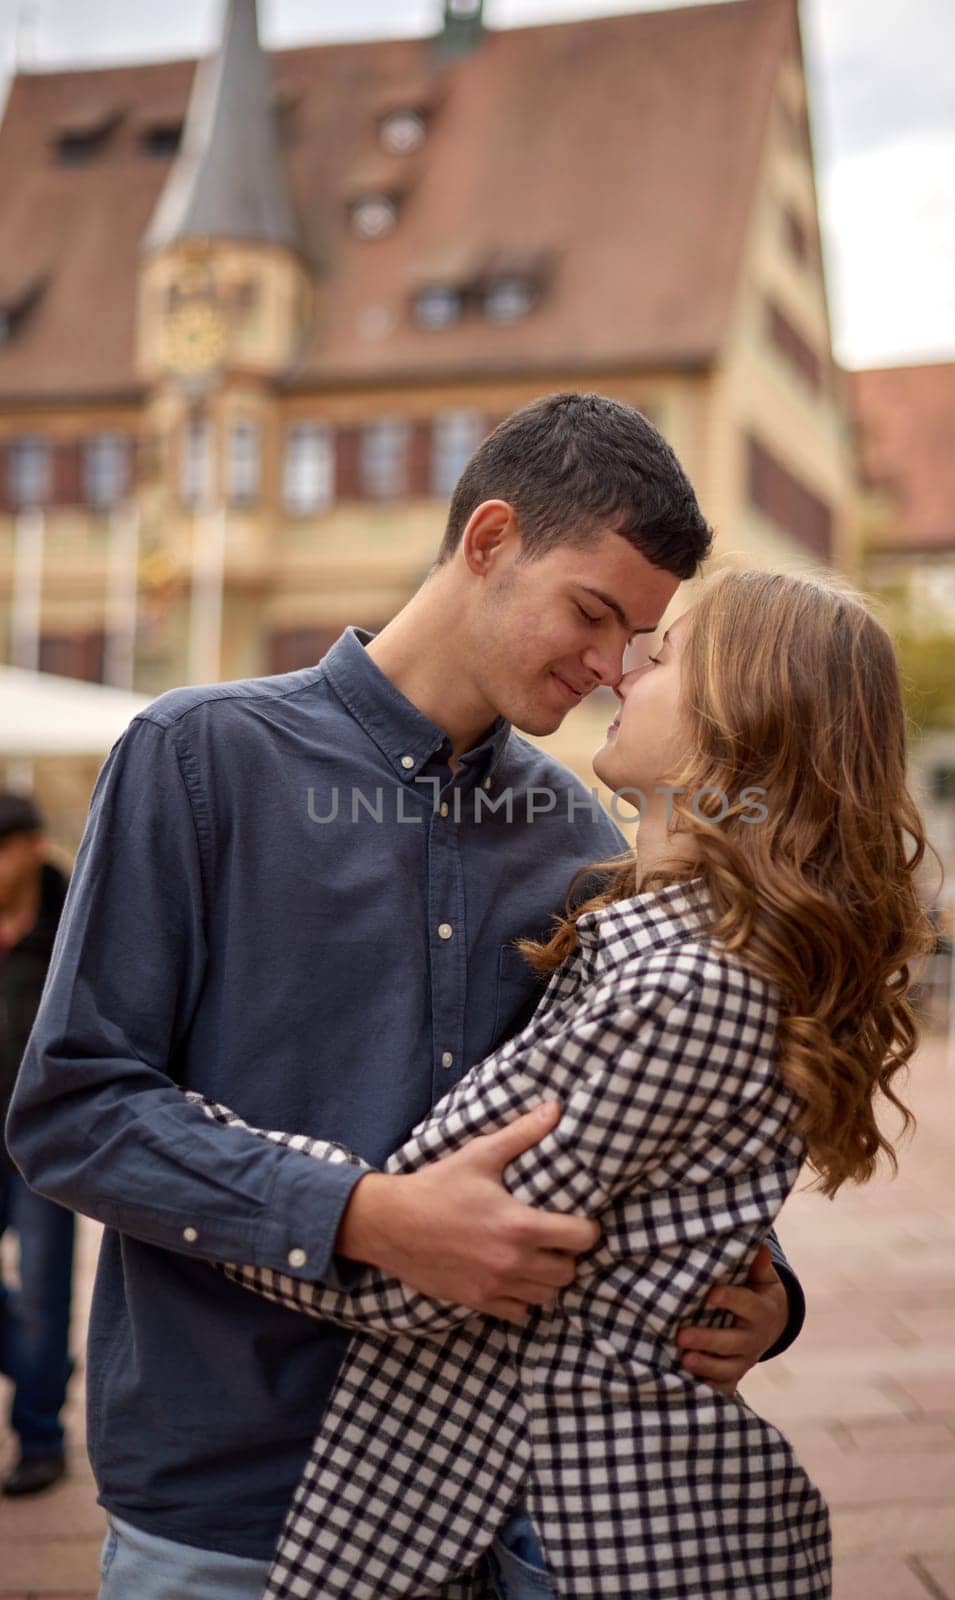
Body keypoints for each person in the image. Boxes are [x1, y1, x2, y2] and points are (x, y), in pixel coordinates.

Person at [7, 395, 805, 1599]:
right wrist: (363, 1215)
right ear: (487, 539)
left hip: (501, 1507)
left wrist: (765, 1294)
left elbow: (634, 1106)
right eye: (590, 612)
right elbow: (72, 1109)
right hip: (230, 1509)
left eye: (633, 642)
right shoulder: (194, 757)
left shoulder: (577, 830)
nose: (604, 669)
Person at [186, 569, 935, 1600]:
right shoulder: (669, 951)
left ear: (742, 718)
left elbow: (416, 1265)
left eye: (657, 654)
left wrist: (188, 1145)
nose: (620, 675)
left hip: (586, 1540)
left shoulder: (675, 987)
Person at [0, 794, 74, 1497]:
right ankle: (40, 1370)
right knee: (29, 1320)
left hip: (44, 1150)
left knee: (45, 1299)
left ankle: (42, 1441)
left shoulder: (76, 920)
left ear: (29, 845)